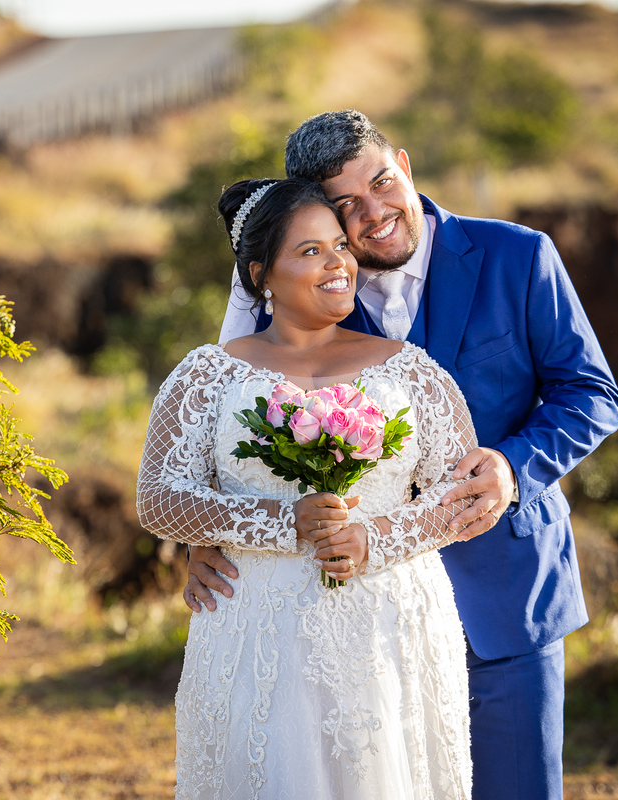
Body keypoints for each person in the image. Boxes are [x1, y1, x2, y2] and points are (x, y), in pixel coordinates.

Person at [188, 110, 618, 800]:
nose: (375, 213)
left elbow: (592, 393)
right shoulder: (307, 291)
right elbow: (236, 414)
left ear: (406, 166)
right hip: (366, 617)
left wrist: (513, 467)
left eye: (382, 183)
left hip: (507, 591)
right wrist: (212, 532)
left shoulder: (519, 256)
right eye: (345, 205)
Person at [137, 177, 480, 799]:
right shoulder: (208, 375)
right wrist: (280, 522)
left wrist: (375, 539)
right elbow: (159, 498)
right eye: (310, 251)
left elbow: (462, 496)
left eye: (340, 246)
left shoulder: (411, 370)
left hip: (390, 631)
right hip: (258, 635)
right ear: (260, 274)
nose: (337, 263)